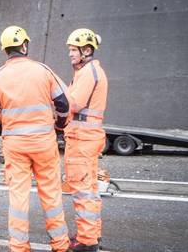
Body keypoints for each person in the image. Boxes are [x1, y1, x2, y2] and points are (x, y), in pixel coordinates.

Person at [0, 26, 71, 252]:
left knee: (18, 196)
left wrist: (2, 124)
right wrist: (60, 125)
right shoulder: (43, 70)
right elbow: (64, 104)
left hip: (15, 145)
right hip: (44, 142)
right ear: (24, 46)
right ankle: (60, 244)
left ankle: (19, 246)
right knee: (51, 193)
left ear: (5, 51)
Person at [64, 28, 108, 252]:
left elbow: (74, 104)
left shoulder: (89, 73)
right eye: (70, 49)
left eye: (74, 50)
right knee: (89, 189)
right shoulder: (87, 71)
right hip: (85, 138)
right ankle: (92, 234)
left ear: (87, 50)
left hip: (82, 140)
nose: (70, 54)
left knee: (82, 190)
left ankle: (87, 241)